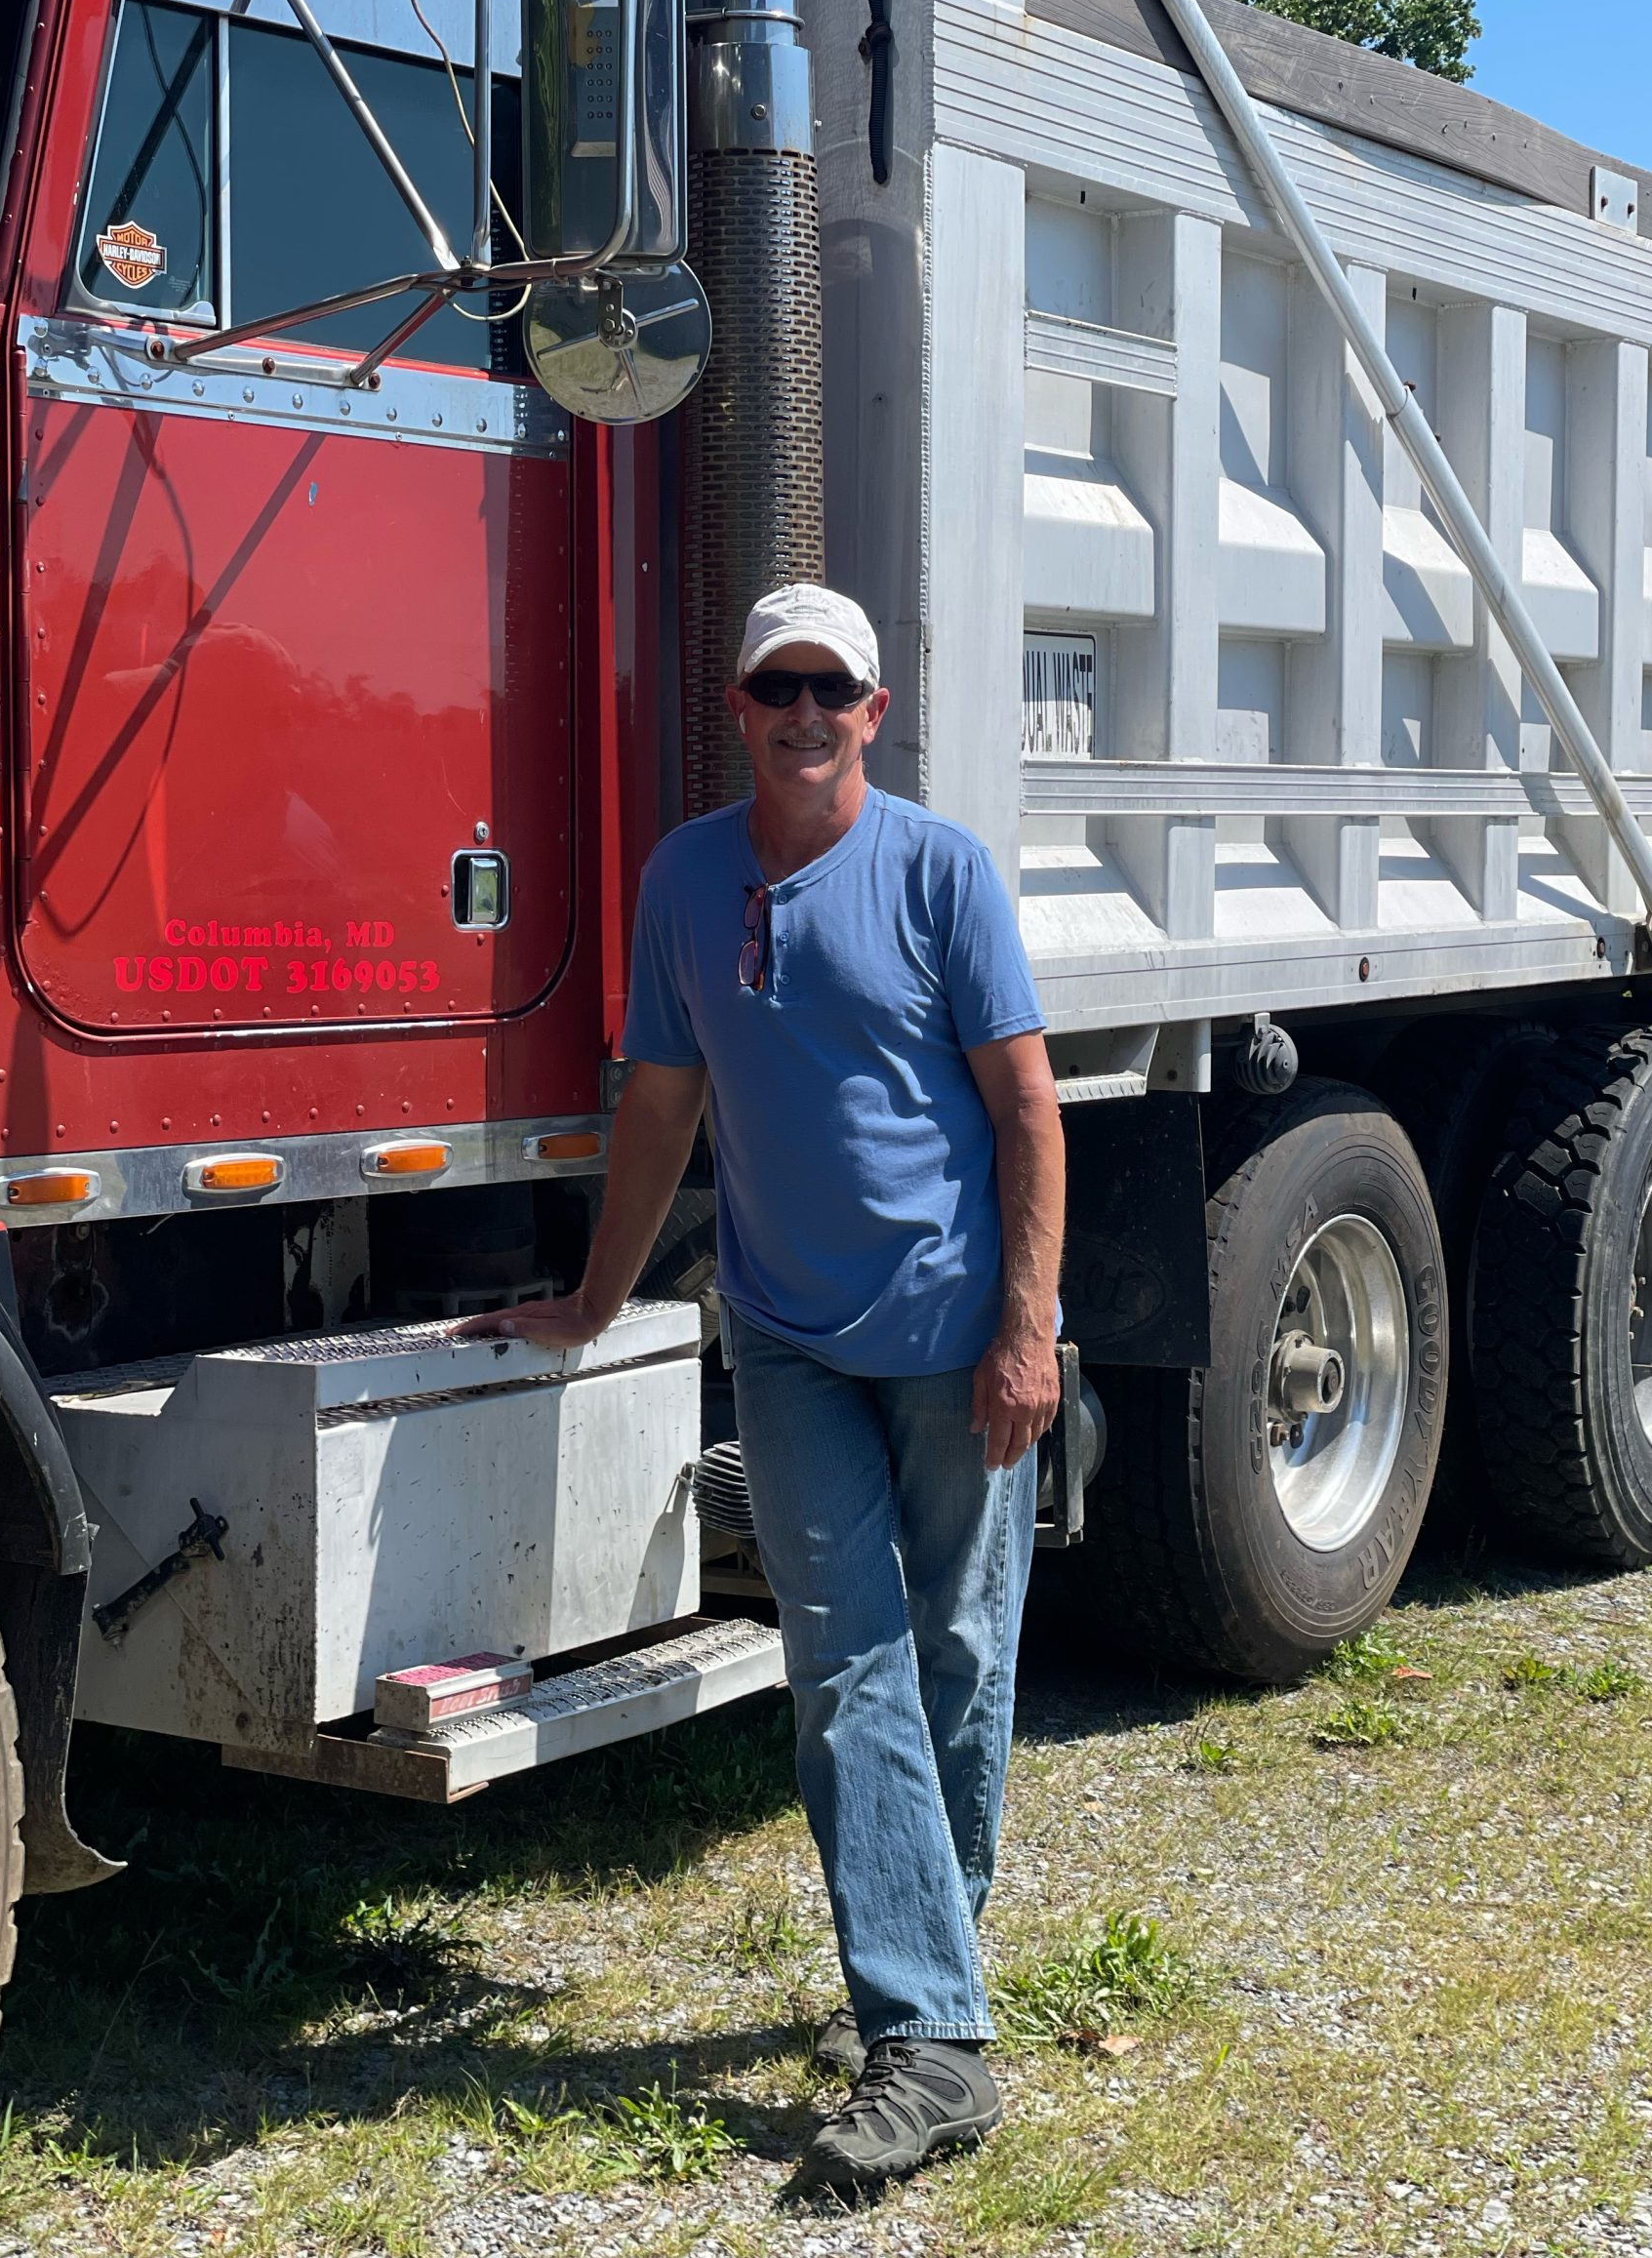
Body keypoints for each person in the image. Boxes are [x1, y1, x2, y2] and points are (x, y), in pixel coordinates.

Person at [463, 583, 1065, 2197]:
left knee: (957, 1652)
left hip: (951, 1336)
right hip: (788, 1336)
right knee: (845, 1669)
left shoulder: (940, 871)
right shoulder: (685, 878)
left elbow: (1027, 1110)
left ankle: (933, 1980)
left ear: (875, 712)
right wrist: (598, 1297)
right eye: (777, 686)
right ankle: (930, 2035)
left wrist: (1025, 1329)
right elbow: (662, 1103)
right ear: (739, 707)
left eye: (832, 690)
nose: (805, 713)